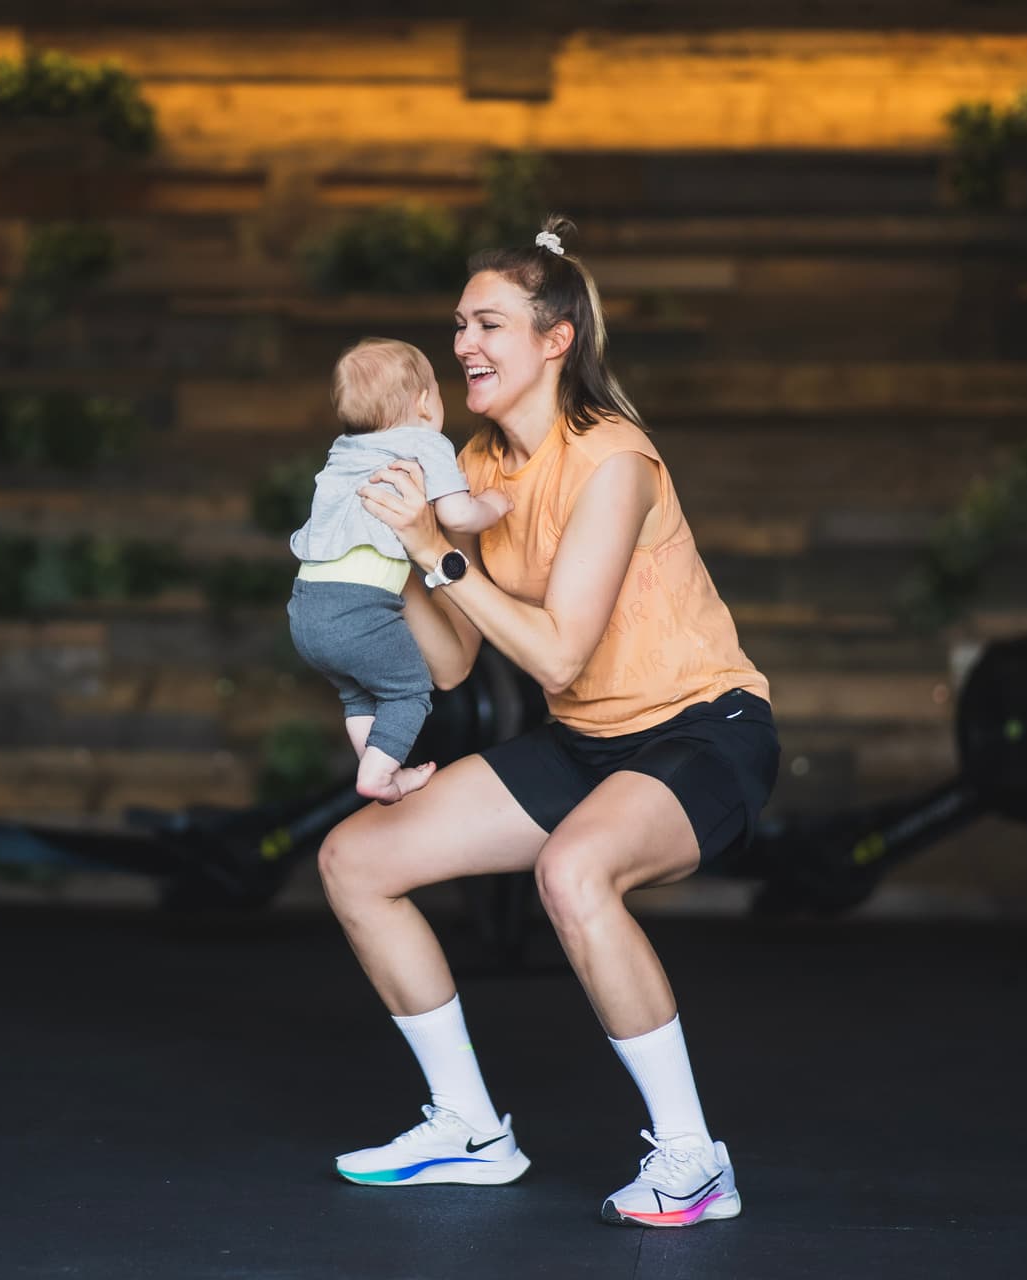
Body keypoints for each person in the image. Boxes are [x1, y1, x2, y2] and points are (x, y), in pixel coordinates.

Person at [319, 215, 780, 1228]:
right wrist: (382, 556)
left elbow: (560, 652)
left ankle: (694, 1160)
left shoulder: (614, 458)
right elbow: (453, 660)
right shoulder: (475, 469)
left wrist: (437, 554)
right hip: (588, 742)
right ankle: (471, 1126)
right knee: (356, 859)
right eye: (457, 325)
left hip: (705, 727)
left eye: (488, 322)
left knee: (573, 871)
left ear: (555, 338)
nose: (463, 344)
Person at [288, 338, 513, 803]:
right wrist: (493, 504)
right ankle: (377, 777)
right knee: (408, 691)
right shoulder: (425, 444)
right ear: (425, 402)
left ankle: (379, 772)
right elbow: (456, 516)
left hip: (306, 605)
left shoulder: (345, 449)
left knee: (359, 695)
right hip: (359, 609)